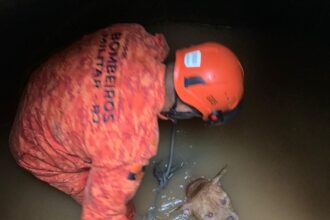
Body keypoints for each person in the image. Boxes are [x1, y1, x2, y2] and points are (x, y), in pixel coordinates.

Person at [9, 23, 244, 220]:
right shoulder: (129, 144)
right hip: (36, 147)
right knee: (122, 209)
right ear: (186, 107)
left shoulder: (138, 36)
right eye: (197, 114)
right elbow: (101, 214)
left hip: (42, 87)